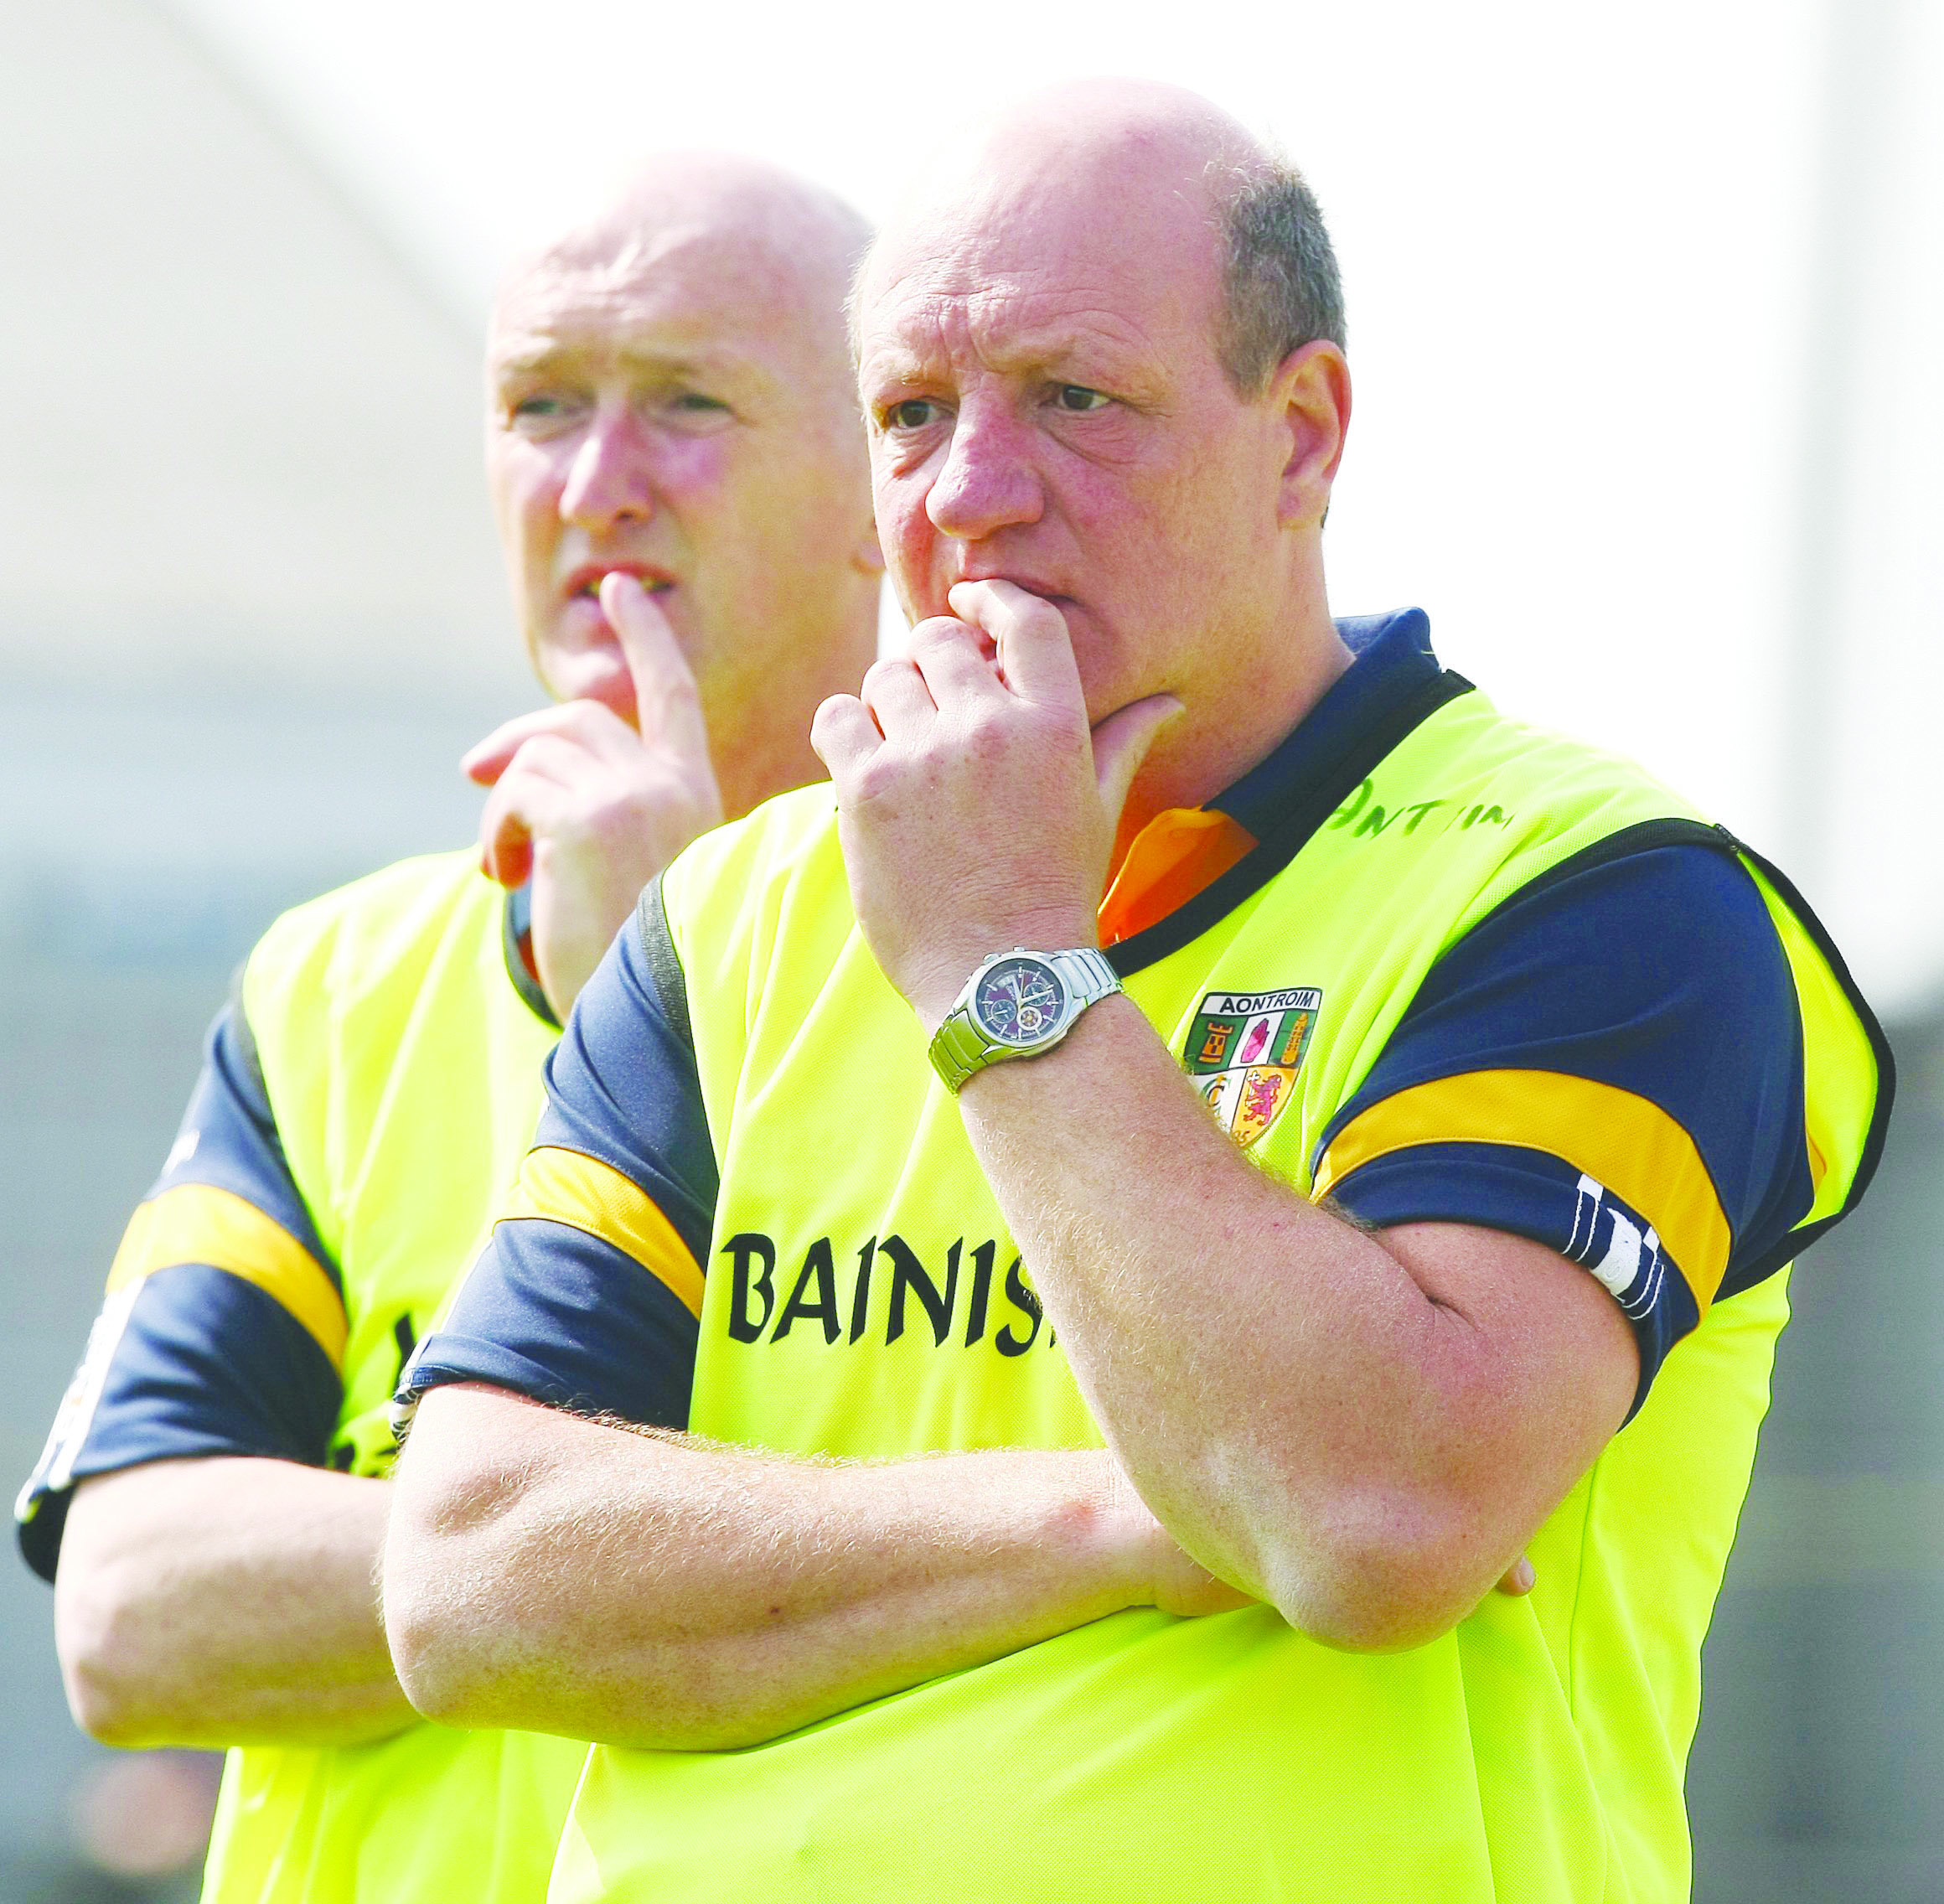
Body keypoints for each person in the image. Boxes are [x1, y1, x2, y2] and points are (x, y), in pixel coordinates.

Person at [380, 81, 1892, 1904]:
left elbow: (1365, 1511)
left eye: (1072, 400)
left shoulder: (1594, 890)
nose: (970, 495)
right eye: (911, 415)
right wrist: (1115, 1518)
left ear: (1302, 437)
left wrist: (1002, 966)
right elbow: (466, 1575)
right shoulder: (735, 918)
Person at [16, 153, 882, 1904]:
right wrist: (565, 1556)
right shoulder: (342, 979)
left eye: (687, 404)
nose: (593, 483)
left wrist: (650, 986)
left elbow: (1058, 1540)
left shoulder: (1036, 964)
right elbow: (130, 1609)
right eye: (538, 404)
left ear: (889, 474)